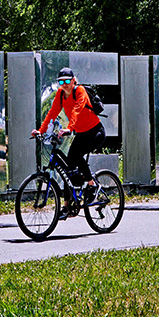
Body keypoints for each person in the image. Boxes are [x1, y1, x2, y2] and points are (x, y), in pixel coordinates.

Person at [32, 67, 105, 219]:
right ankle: (66, 207)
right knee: (68, 168)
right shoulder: (60, 95)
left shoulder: (80, 91)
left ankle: (92, 185)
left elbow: (77, 111)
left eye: (67, 81)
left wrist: (69, 129)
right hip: (81, 134)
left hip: (95, 132)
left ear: (73, 81)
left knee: (77, 156)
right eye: (61, 82)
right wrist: (41, 130)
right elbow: (52, 113)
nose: (64, 84)